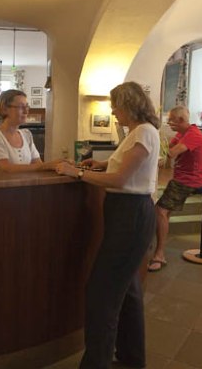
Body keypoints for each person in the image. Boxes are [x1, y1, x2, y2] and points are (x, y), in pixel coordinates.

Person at [55, 81, 160, 369]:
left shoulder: (143, 132)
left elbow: (120, 180)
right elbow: (126, 169)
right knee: (128, 289)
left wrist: (76, 172)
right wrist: (102, 165)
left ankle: (96, 363)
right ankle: (131, 357)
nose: (113, 111)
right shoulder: (138, 132)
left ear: (128, 105)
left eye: (116, 106)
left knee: (101, 293)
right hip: (127, 213)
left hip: (131, 214)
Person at [148, 105, 202, 272]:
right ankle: (154, 244)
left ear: (181, 120)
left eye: (171, 120)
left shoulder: (193, 134)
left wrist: (157, 136)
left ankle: (159, 255)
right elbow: (167, 152)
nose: (168, 123)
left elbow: (171, 153)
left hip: (190, 180)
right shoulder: (181, 134)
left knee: (159, 211)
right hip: (181, 178)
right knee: (164, 212)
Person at [0, 89, 65, 174]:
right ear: (4, 109)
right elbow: (6, 168)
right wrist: (47, 165)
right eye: (21, 107)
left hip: (28, 183)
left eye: (27, 106)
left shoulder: (26, 134)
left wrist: (60, 165)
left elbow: (38, 164)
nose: (26, 111)